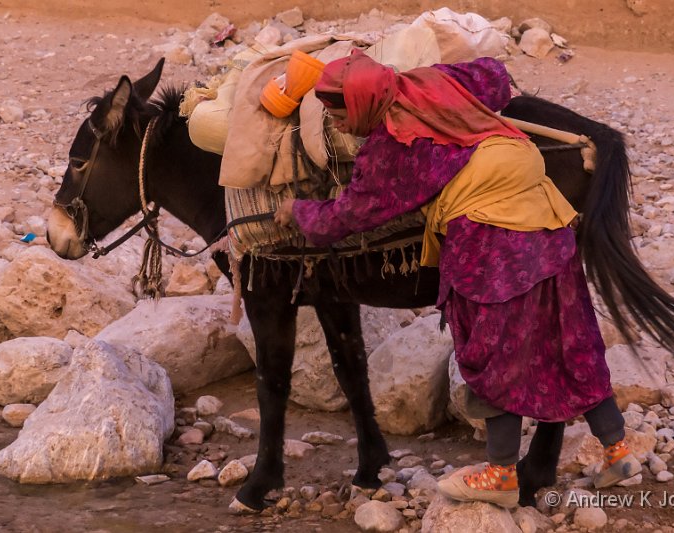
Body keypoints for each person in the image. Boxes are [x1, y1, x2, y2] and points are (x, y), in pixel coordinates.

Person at [274, 50, 641, 508]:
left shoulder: (391, 150)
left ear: (366, 101)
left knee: (490, 352)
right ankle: (618, 452)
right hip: (545, 217)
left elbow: (349, 215)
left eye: (340, 114)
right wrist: (433, 76)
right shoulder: (432, 83)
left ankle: (501, 474)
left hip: (491, 242)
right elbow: (494, 74)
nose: (339, 127)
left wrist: (298, 211)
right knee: (569, 336)